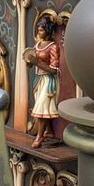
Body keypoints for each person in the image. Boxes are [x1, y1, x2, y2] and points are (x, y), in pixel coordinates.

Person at [26, 17, 61, 147]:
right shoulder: (37, 45)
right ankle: (49, 131)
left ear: (48, 31)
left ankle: (39, 137)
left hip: (49, 80)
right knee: (44, 108)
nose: (39, 32)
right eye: (38, 30)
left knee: (41, 107)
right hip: (38, 79)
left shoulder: (53, 47)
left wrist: (37, 63)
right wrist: (30, 63)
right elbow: (33, 63)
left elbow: (54, 70)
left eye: (41, 30)